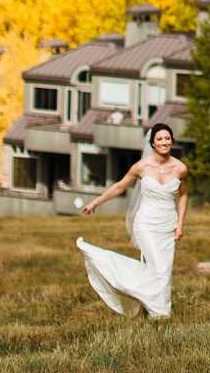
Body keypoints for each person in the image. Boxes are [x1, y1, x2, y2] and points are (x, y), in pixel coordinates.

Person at [76, 122, 189, 319]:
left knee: (163, 272)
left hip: (167, 227)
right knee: (159, 270)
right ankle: (160, 314)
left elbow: (183, 195)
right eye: (160, 139)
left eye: (167, 139)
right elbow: (119, 187)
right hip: (145, 225)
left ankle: (149, 310)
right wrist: (95, 203)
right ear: (153, 143)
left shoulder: (180, 168)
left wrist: (180, 225)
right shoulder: (141, 167)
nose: (164, 142)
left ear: (172, 141)